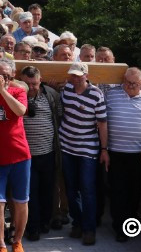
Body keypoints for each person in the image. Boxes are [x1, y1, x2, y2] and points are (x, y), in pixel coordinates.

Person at [105, 67, 141, 242]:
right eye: (127, 82)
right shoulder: (112, 94)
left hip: (138, 155)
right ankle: (119, 226)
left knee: (135, 191)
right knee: (117, 191)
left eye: (134, 84)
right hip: (115, 152)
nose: (130, 86)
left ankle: (129, 224)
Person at [59, 62, 108, 246]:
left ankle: (89, 229)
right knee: (71, 189)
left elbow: (102, 123)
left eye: (79, 75)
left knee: (87, 189)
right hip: (67, 146)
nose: (75, 78)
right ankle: (77, 223)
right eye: (73, 75)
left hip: (87, 148)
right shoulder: (67, 90)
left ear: (86, 75)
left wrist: (104, 149)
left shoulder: (96, 95)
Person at [0, 59, 30, 252]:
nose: (4, 78)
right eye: (0, 75)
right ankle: (1, 244)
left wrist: (3, 90)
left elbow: (21, 111)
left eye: (7, 75)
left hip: (19, 155)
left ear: (12, 75)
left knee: (21, 201)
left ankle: (17, 241)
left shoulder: (18, 91)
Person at [20, 66, 62, 241]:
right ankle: (33, 227)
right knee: (31, 193)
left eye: (34, 83)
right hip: (26, 155)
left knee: (47, 190)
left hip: (48, 153)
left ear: (41, 80)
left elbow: (59, 116)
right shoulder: (16, 95)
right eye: (27, 83)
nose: (31, 87)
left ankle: (45, 221)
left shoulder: (51, 95)